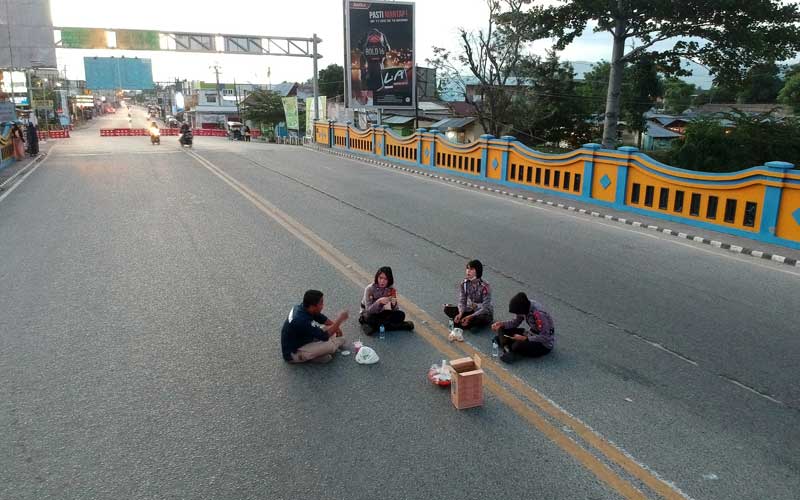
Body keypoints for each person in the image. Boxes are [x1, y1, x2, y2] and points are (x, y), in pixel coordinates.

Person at [281, 290, 349, 364]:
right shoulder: (301, 320)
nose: (323, 305)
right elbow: (324, 336)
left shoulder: (303, 307)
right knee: (331, 345)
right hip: (293, 353)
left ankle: (314, 355)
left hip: (303, 340)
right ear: (312, 306)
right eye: (321, 303)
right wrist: (339, 320)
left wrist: (337, 328)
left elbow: (321, 318)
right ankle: (308, 357)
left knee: (329, 328)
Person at [491, 292, 555, 363]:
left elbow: (546, 337)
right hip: (530, 333)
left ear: (522, 310)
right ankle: (508, 349)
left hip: (542, 344)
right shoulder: (525, 306)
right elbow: (515, 322)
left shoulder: (539, 315)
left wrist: (525, 338)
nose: (517, 315)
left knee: (517, 345)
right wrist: (502, 324)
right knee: (501, 329)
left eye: (517, 313)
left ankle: (508, 347)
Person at [359, 266, 414, 334]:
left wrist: (394, 304)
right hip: (369, 313)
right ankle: (401, 326)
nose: (382, 281)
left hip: (382, 312)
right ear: (377, 277)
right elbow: (369, 310)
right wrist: (378, 302)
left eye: (385, 279)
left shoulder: (390, 289)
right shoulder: (370, 289)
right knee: (369, 318)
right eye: (380, 278)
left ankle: (375, 326)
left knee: (401, 315)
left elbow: (395, 309)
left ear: (389, 280)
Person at [443, 259, 493, 330]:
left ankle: (462, 323)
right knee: (447, 309)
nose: (468, 271)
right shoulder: (464, 283)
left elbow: (485, 307)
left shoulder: (485, 286)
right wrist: (460, 313)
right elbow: (462, 300)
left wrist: (470, 316)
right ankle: (463, 322)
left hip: (483, 312)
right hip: (470, 309)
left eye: (471, 269)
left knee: (480, 318)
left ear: (478, 271)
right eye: (467, 268)